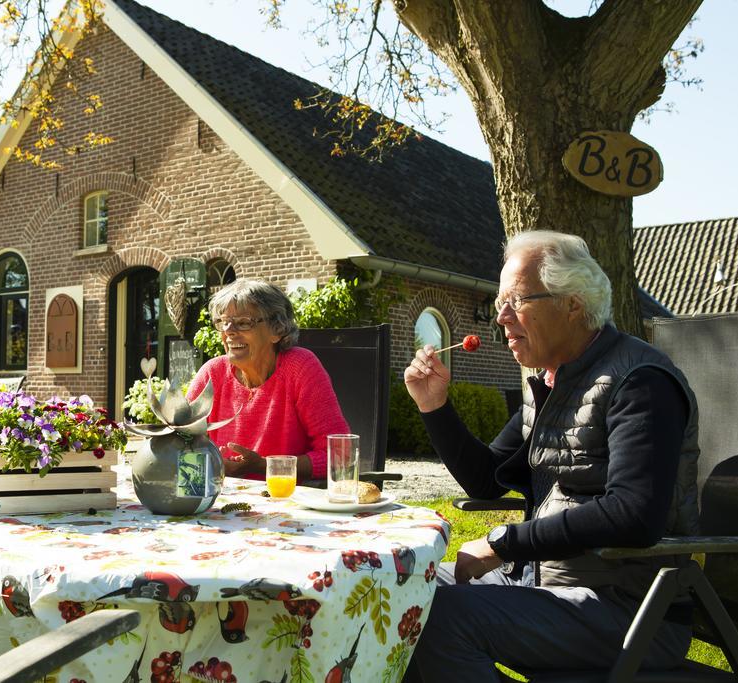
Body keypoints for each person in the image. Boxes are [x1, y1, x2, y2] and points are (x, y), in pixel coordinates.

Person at [403, 231, 700, 681]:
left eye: (516, 300)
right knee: (400, 594)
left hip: (629, 609)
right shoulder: (552, 382)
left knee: (442, 617)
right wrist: (434, 406)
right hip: (543, 581)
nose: (500, 317)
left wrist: (506, 543)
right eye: (500, 301)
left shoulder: (640, 382)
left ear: (572, 304)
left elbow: (636, 514)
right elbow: (487, 480)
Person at [186, 278, 349, 480]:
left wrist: (264, 466)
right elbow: (180, 441)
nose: (228, 331)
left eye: (244, 323)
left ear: (277, 330)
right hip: (220, 500)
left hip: (288, 503)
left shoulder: (300, 368)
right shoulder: (212, 373)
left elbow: (340, 456)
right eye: (223, 322)